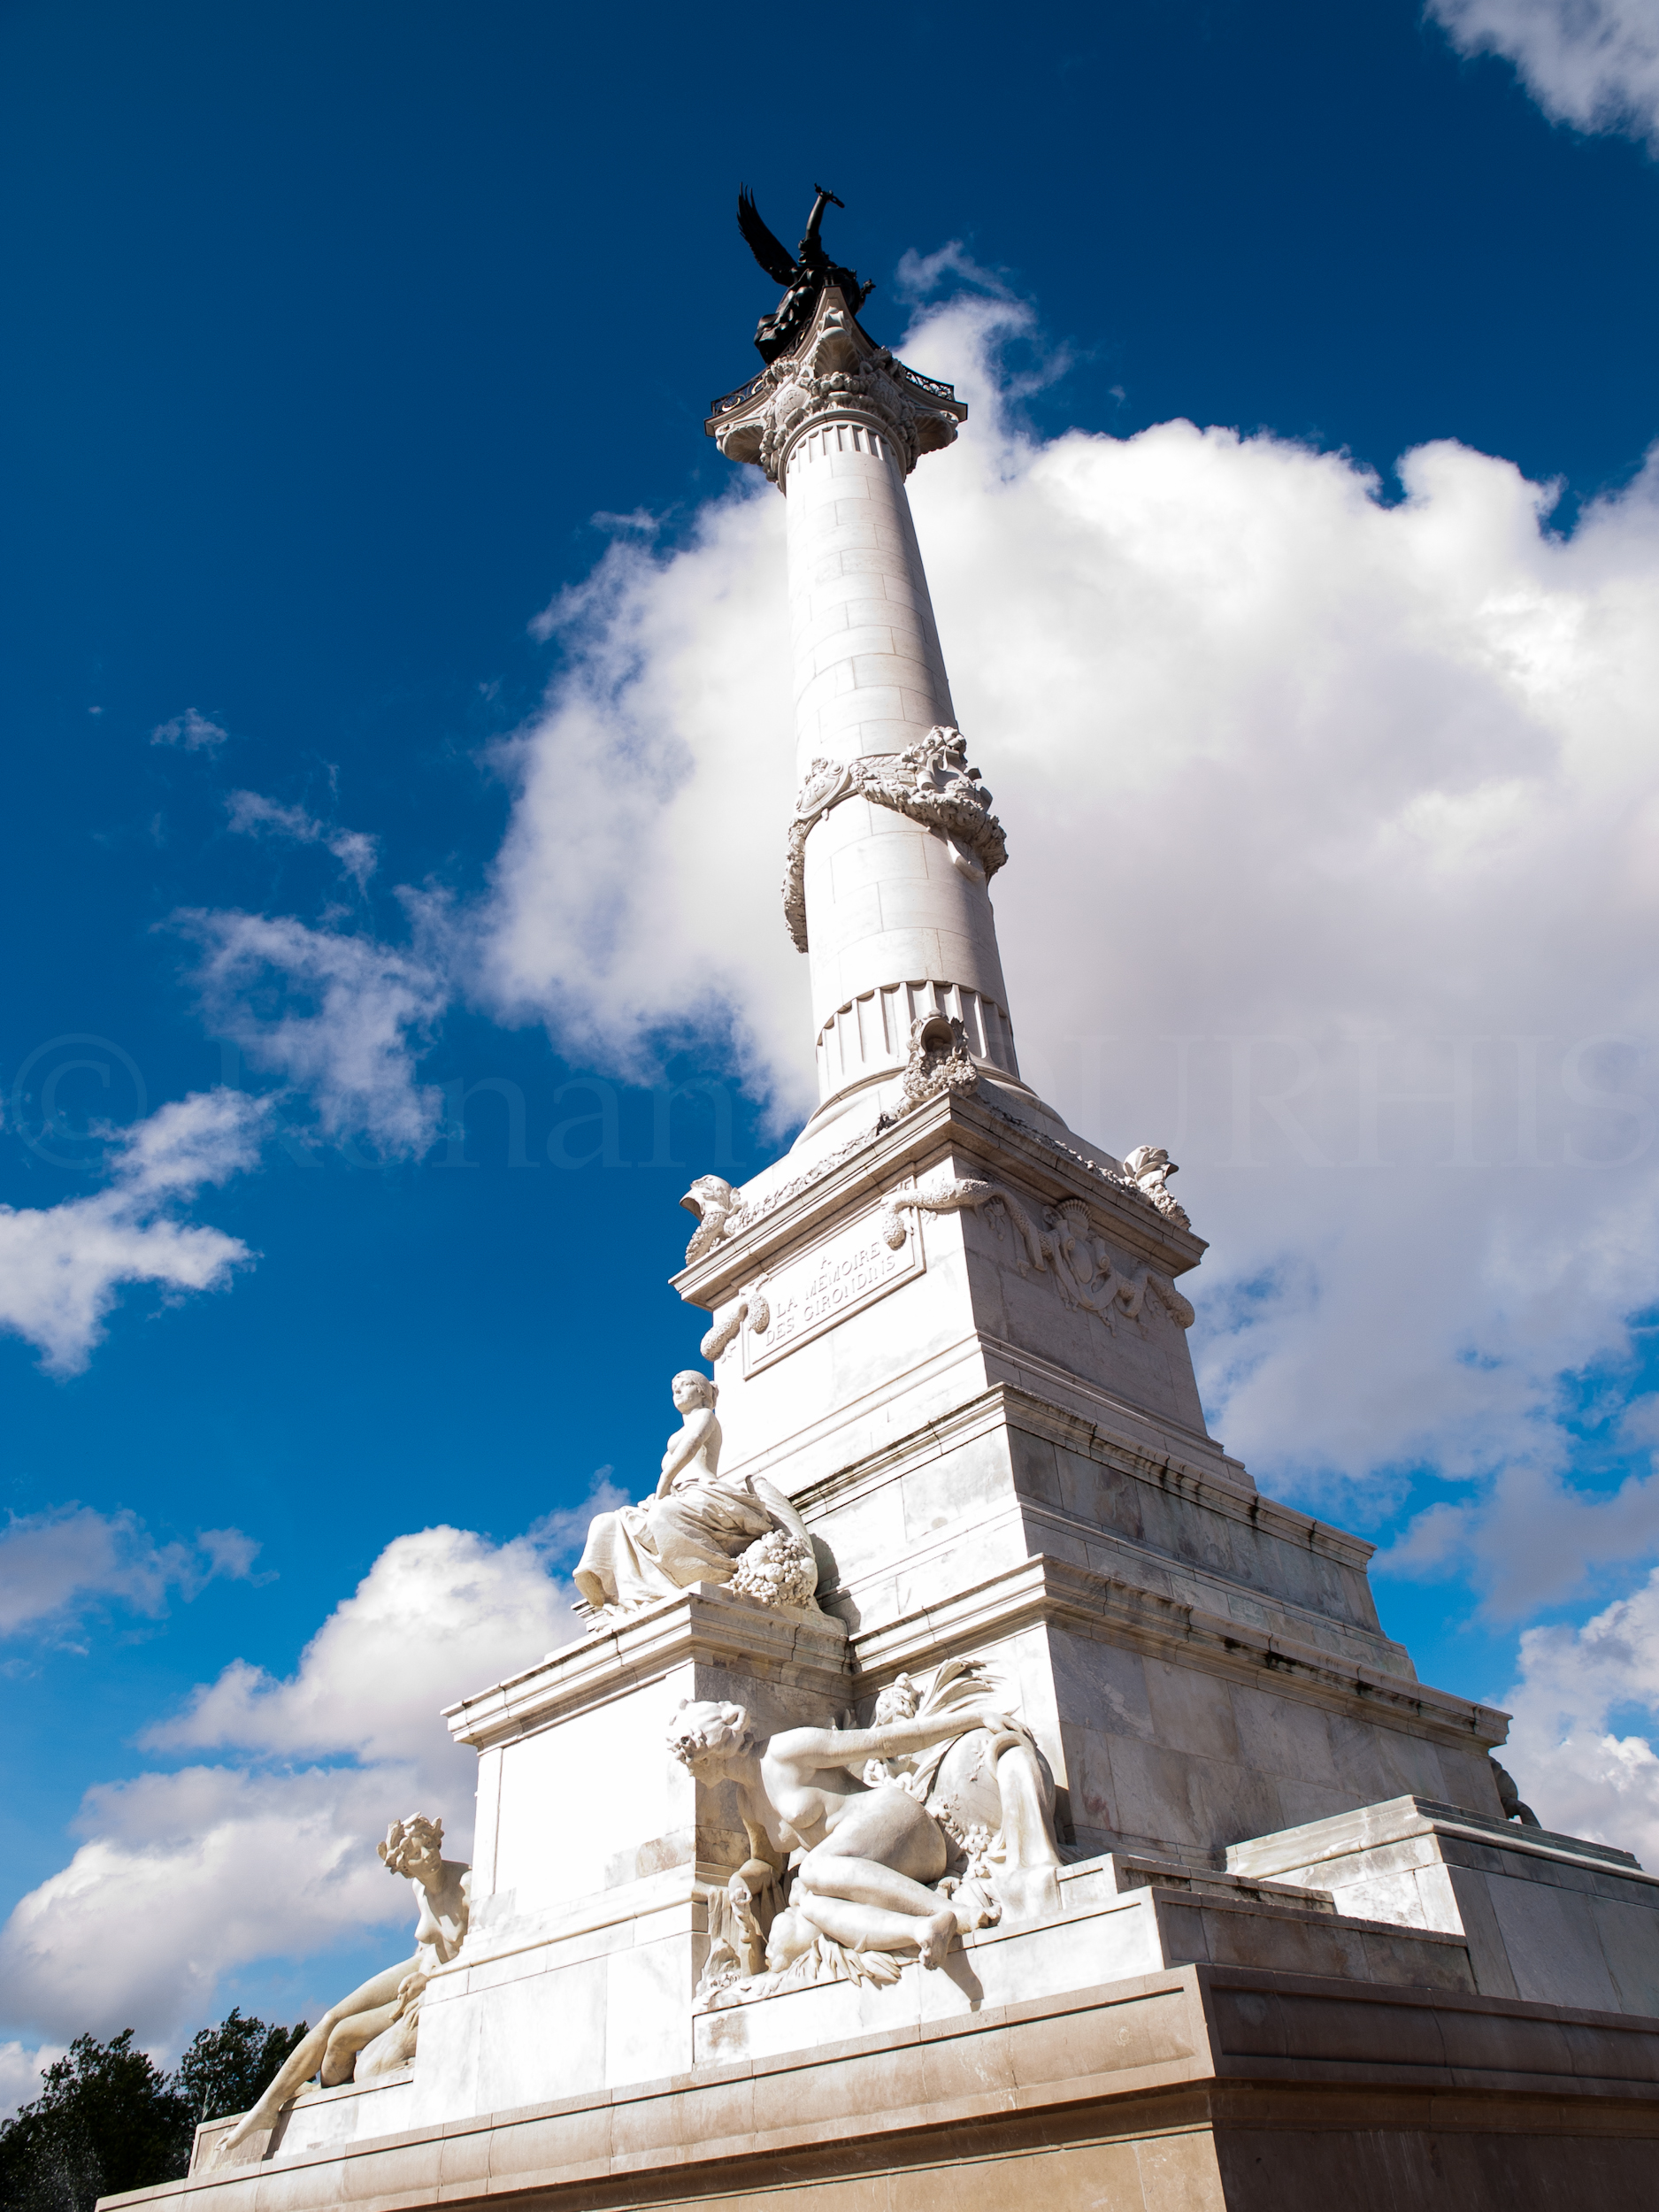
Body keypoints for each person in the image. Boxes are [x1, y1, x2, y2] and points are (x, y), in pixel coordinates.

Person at [668, 1695, 1016, 1969]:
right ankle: (925, 1929)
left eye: (689, 1763)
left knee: (813, 1871)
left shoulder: (785, 1751)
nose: (689, 1773)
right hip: (857, 1864)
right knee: (809, 1901)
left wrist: (974, 1718)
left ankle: (952, 1913)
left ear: (709, 1756)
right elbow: (767, 1862)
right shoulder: (748, 1800)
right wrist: (742, 1881)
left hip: (903, 1828)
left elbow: (881, 1742)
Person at [212, 1814, 469, 2168]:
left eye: (428, 1843)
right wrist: (421, 1976)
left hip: (441, 1981)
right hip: (421, 1968)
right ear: (404, 1867)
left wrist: (432, 1983)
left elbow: (490, 1947)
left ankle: (323, 2090)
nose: (426, 1855)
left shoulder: (467, 1884)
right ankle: (266, 2107)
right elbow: (430, 1943)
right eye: (414, 1852)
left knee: (343, 2038)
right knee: (332, 2019)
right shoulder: (419, 1887)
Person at [574, 1373, 813, 1615]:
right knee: (607, 1522)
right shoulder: (681, 1429)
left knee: (663, 1514)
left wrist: (664, 1482)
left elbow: (691, 1447)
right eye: (673, 1389)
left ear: (702, 1392)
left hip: (703, 1492)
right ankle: (609, 1596)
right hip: (676, 1496)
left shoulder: (705, 1416)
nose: (676, 1392)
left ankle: (723, 1571)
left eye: (684, 1385)